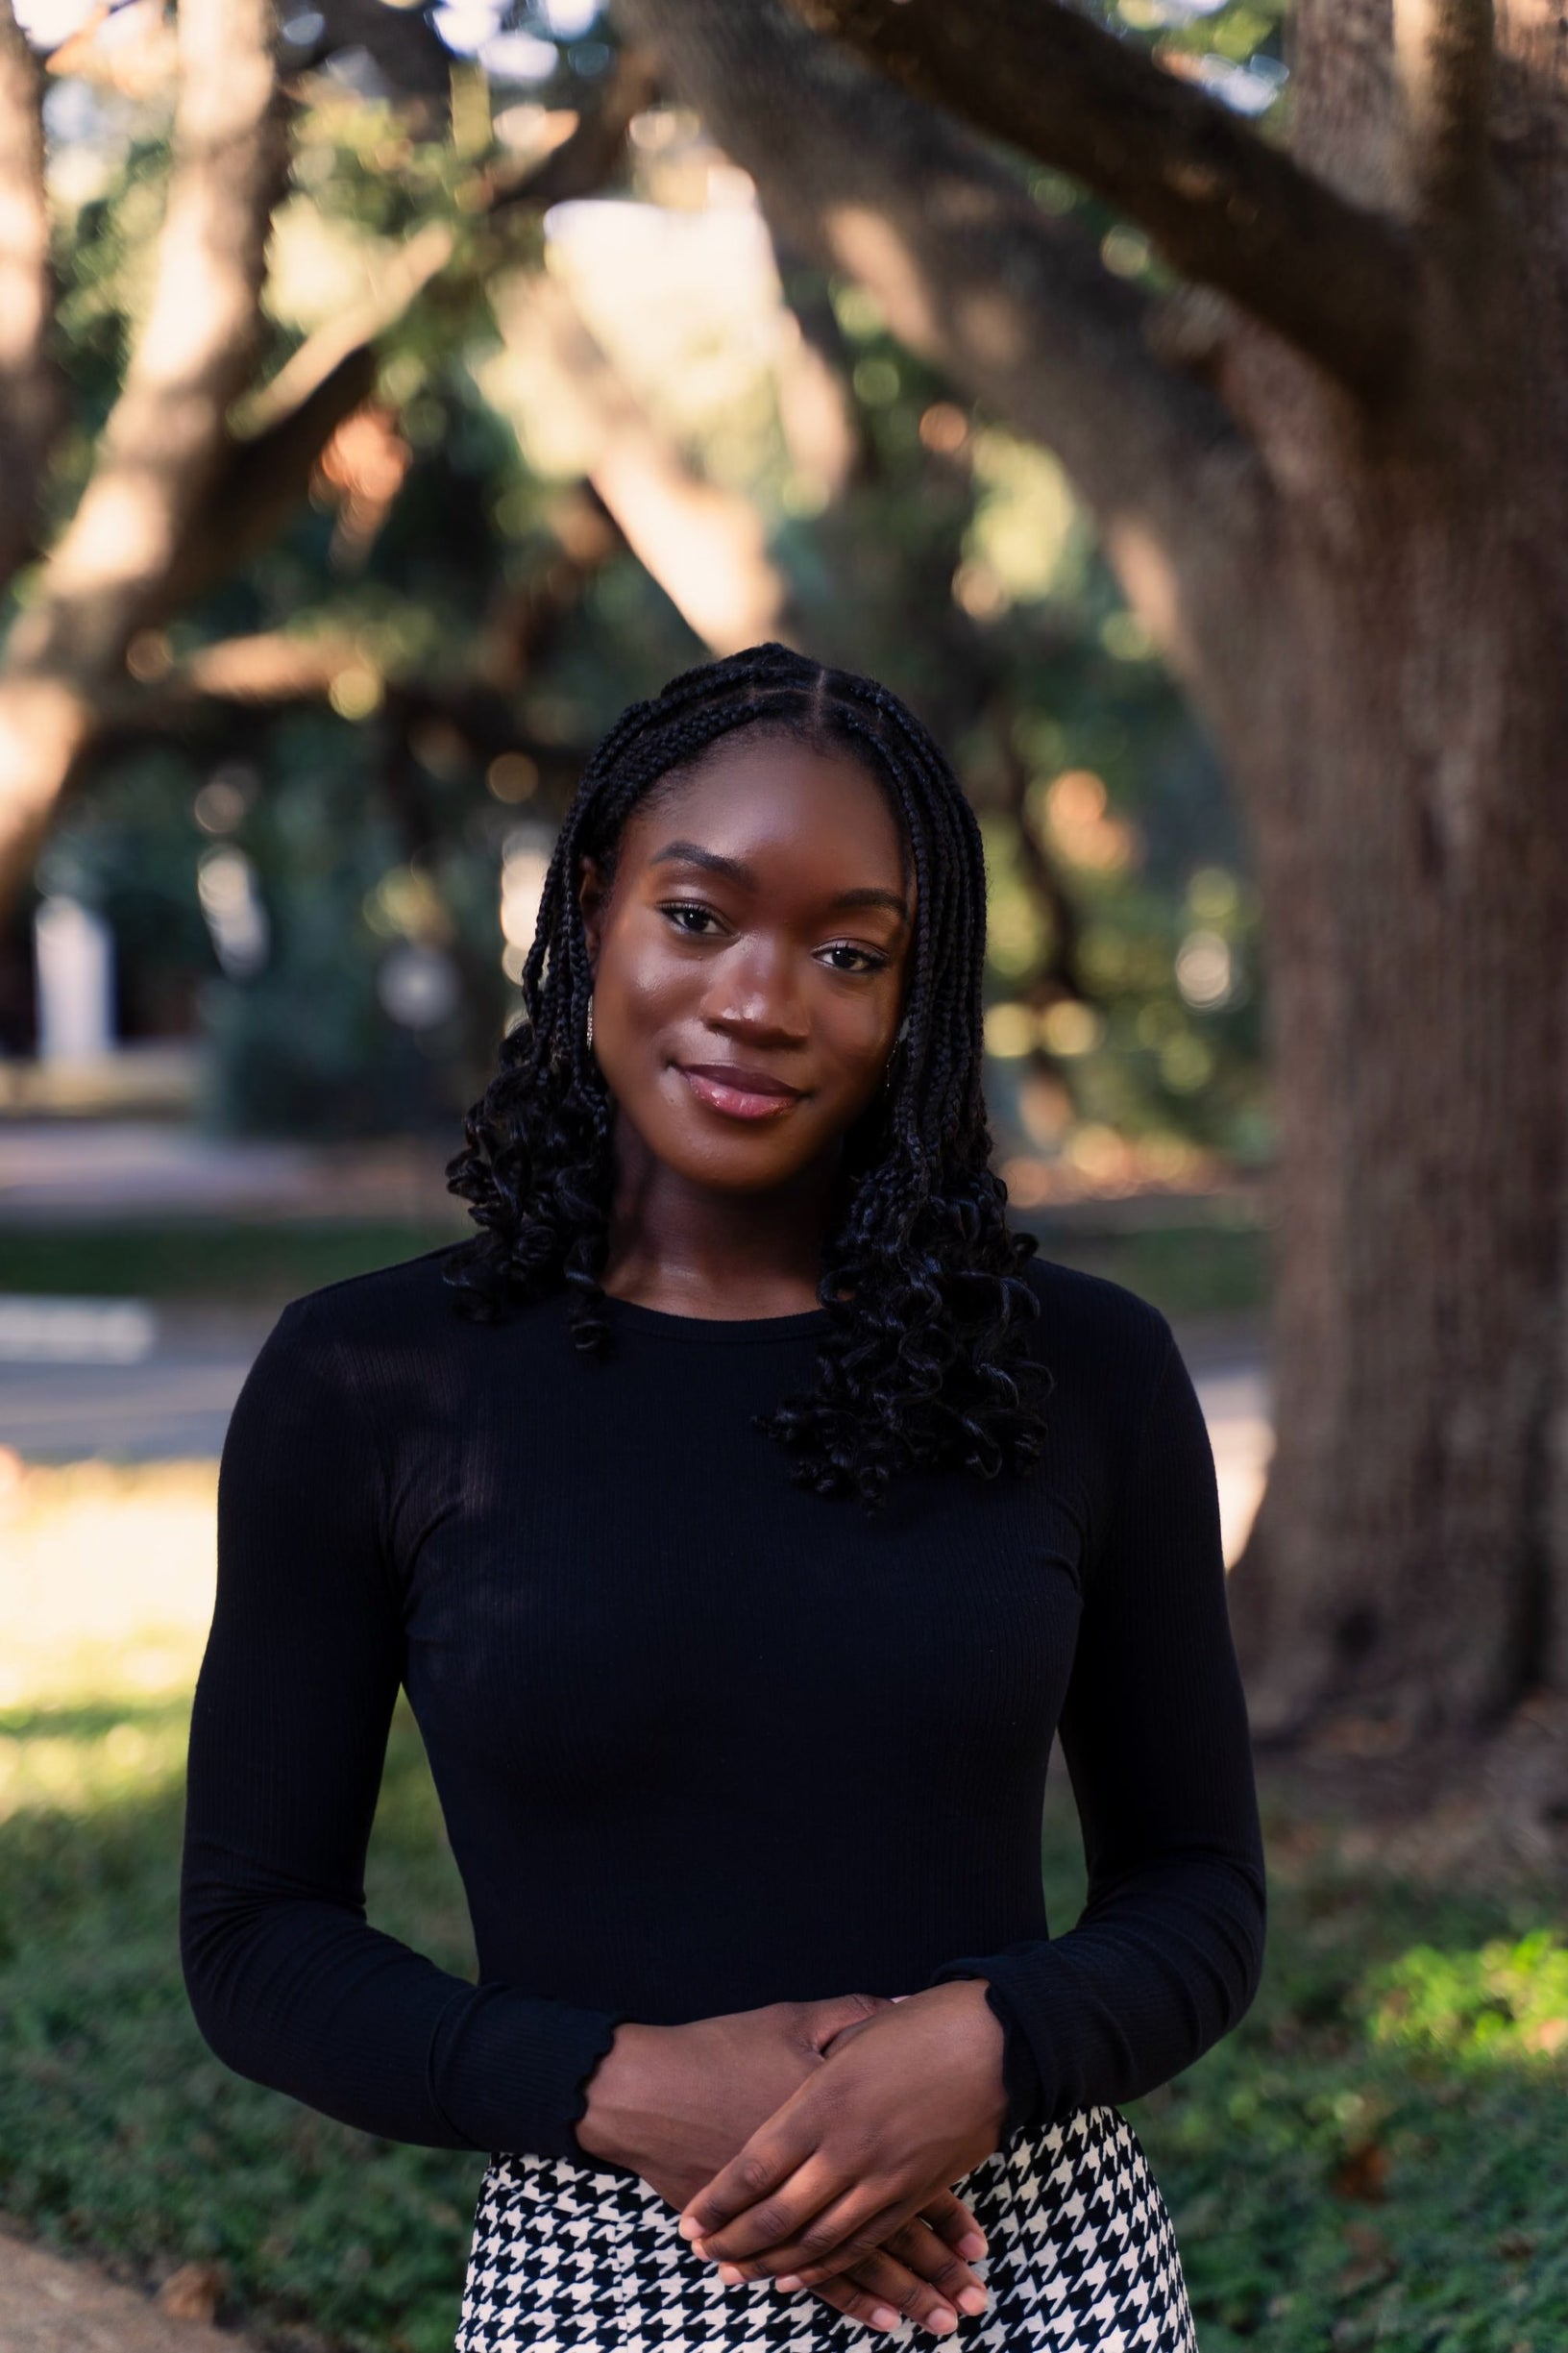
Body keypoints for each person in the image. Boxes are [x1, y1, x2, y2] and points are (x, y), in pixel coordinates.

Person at [181, 643, 1266, 2352]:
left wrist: (986, 2048)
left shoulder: (1084, 1371)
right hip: (599, 2275)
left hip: (1020, 2266)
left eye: (849, 951)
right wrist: (620, 2084)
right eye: (700, 916)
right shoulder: (366, 1381)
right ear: (597, 906)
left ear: (917, 995)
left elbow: (1201, 1889)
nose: (763, 999)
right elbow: (254, 1935)